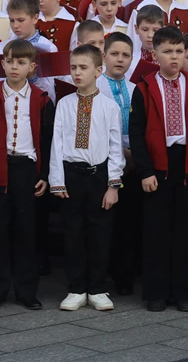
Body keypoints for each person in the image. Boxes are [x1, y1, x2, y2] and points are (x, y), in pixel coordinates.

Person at [129, 26, 188, 313]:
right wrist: (144, 171)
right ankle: (156, 292)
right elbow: (137, 133)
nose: (175, 57)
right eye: (168, 52)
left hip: (187, 163)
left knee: (187, 231)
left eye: (179, 51)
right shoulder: (144, 87)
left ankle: (184, 292)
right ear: (154, 55)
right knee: (156, 230)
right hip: (157, 165)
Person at [0, 39, 54, 311]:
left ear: (32, 67)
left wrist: (44, 173)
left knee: (26, 232)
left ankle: (26, 290)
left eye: (21, 63)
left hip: (27, 170)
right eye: (10, 61)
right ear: (2, 64)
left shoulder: (41, 99)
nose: (14, 67)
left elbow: (48, 139)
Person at [48, 43, 123, 312]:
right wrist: (57, 180)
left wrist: (113, 184)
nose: (77, 73)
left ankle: (98, 288)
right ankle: (76, 288)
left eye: (83, 68)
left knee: (99, 233)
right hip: (72, 176)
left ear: (99, 70)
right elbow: (56, 143)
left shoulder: (109, 106)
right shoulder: (65, 104)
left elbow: (115, 147)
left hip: (99, 176)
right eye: (73, 68)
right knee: (73, 234)